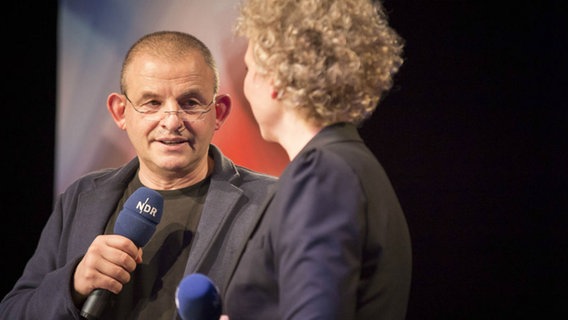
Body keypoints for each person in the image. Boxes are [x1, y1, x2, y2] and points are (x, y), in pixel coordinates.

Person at [0, 31, 276, 319]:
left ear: (218, 112)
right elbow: (14, 311)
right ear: (120, 112)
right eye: (152, 103)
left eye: (190, 102)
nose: (171, 121)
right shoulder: (81, 197)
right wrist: (73, 284)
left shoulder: (272, 203)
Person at [222, 0, 412, 319]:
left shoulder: (323, 175)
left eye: (250, 69)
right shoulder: (347, 166)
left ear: (277, 80)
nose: (246, 84)